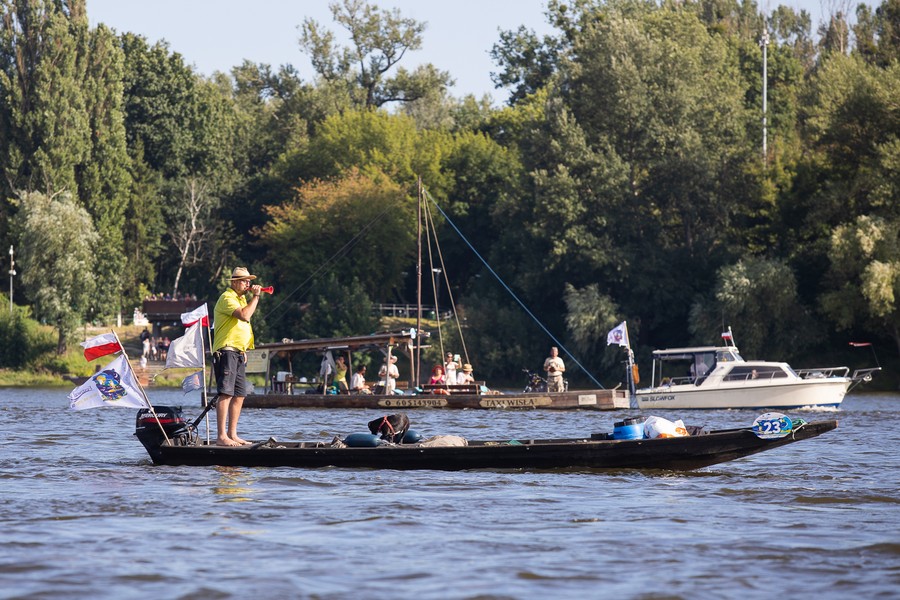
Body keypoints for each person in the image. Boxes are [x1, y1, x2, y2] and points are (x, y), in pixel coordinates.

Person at [211, 266, 263, 446]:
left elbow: (241, 329)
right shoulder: (227, 298)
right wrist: (256, 296)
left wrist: (244, 349)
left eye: (249, 280)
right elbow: (244, 316)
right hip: (226, 351)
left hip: (238, 352)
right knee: (225, 393)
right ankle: (221, 436)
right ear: (234, 282)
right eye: (244, 280)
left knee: (240, 395)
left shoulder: (240, 299)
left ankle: (232, 434)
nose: (248, 283)